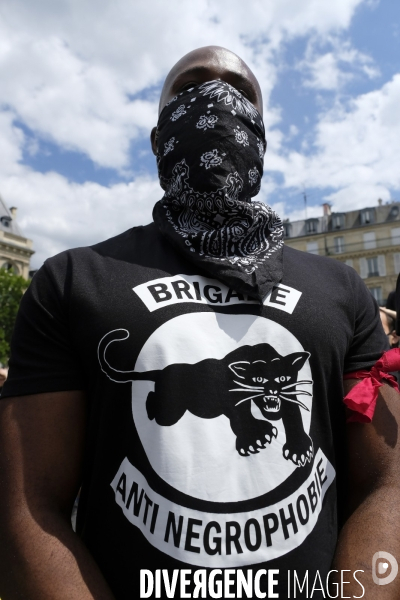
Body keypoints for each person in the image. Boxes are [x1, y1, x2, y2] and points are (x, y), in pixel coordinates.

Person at [0, 46, 400, 600]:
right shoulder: (71, 280)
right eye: (189, 88)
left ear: (261, 136)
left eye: (241, 92)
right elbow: (26, 502)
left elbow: (387, 483)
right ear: (157, 139)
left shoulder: (342, 289)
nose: (216, 99)